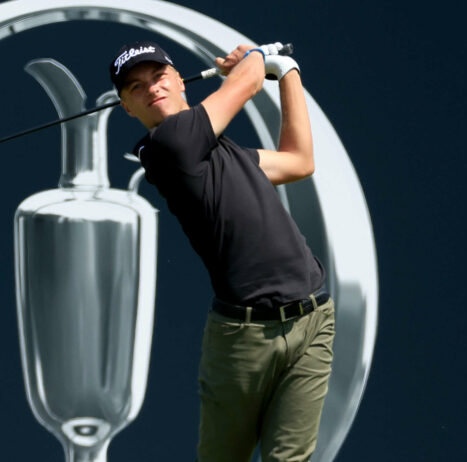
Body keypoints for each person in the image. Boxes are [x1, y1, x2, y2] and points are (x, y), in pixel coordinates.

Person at [109, 41, 336, 462]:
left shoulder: (217, 150)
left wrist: (287, 71)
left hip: (313, 318)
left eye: (158, 76)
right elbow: (246, 82)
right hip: (243, 340)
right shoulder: (170, 145)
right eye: (136, 88)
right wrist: (254, 57)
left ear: (179, 80)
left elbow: (299, 161)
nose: (152, 89)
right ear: (126, 106)